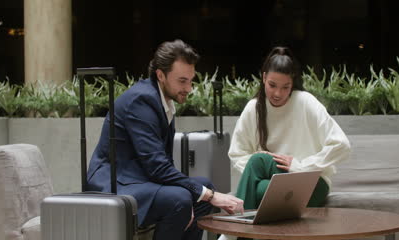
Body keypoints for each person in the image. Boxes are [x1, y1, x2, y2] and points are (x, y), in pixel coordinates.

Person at [87, 39, 244, 240]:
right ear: (161, 75)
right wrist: (209, 196)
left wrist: (204, 194)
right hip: (115, 182)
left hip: (139, 178)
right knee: (181, 198)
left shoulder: (162, 100)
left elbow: (161, 165)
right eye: (182, 81)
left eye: (190, 80)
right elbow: (157, 167)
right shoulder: (142, 100)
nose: (189, 88)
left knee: (204, 187)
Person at [218, 46, 351, 240]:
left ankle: (230, 236)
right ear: (263, 78)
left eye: (285, 87)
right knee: (259, 180)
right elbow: (237, 153)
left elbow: (342, 146)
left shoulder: (306, 102)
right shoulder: (254, 108)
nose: (278, 93)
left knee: (257, 164)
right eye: (272, 85)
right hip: (271, 181)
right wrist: (264, 170)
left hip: (311, 182)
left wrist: (300, 166)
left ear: (293, 84)